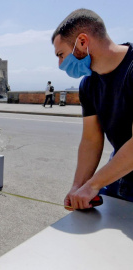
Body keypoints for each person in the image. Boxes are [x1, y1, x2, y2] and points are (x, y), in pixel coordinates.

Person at [52, 8, 133, 210]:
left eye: (61, 55)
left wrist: (93, 185)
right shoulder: (88, 85)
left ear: (82, 42)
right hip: (119, 173)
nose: (60, 64)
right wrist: (78, 187)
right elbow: (91, 139)